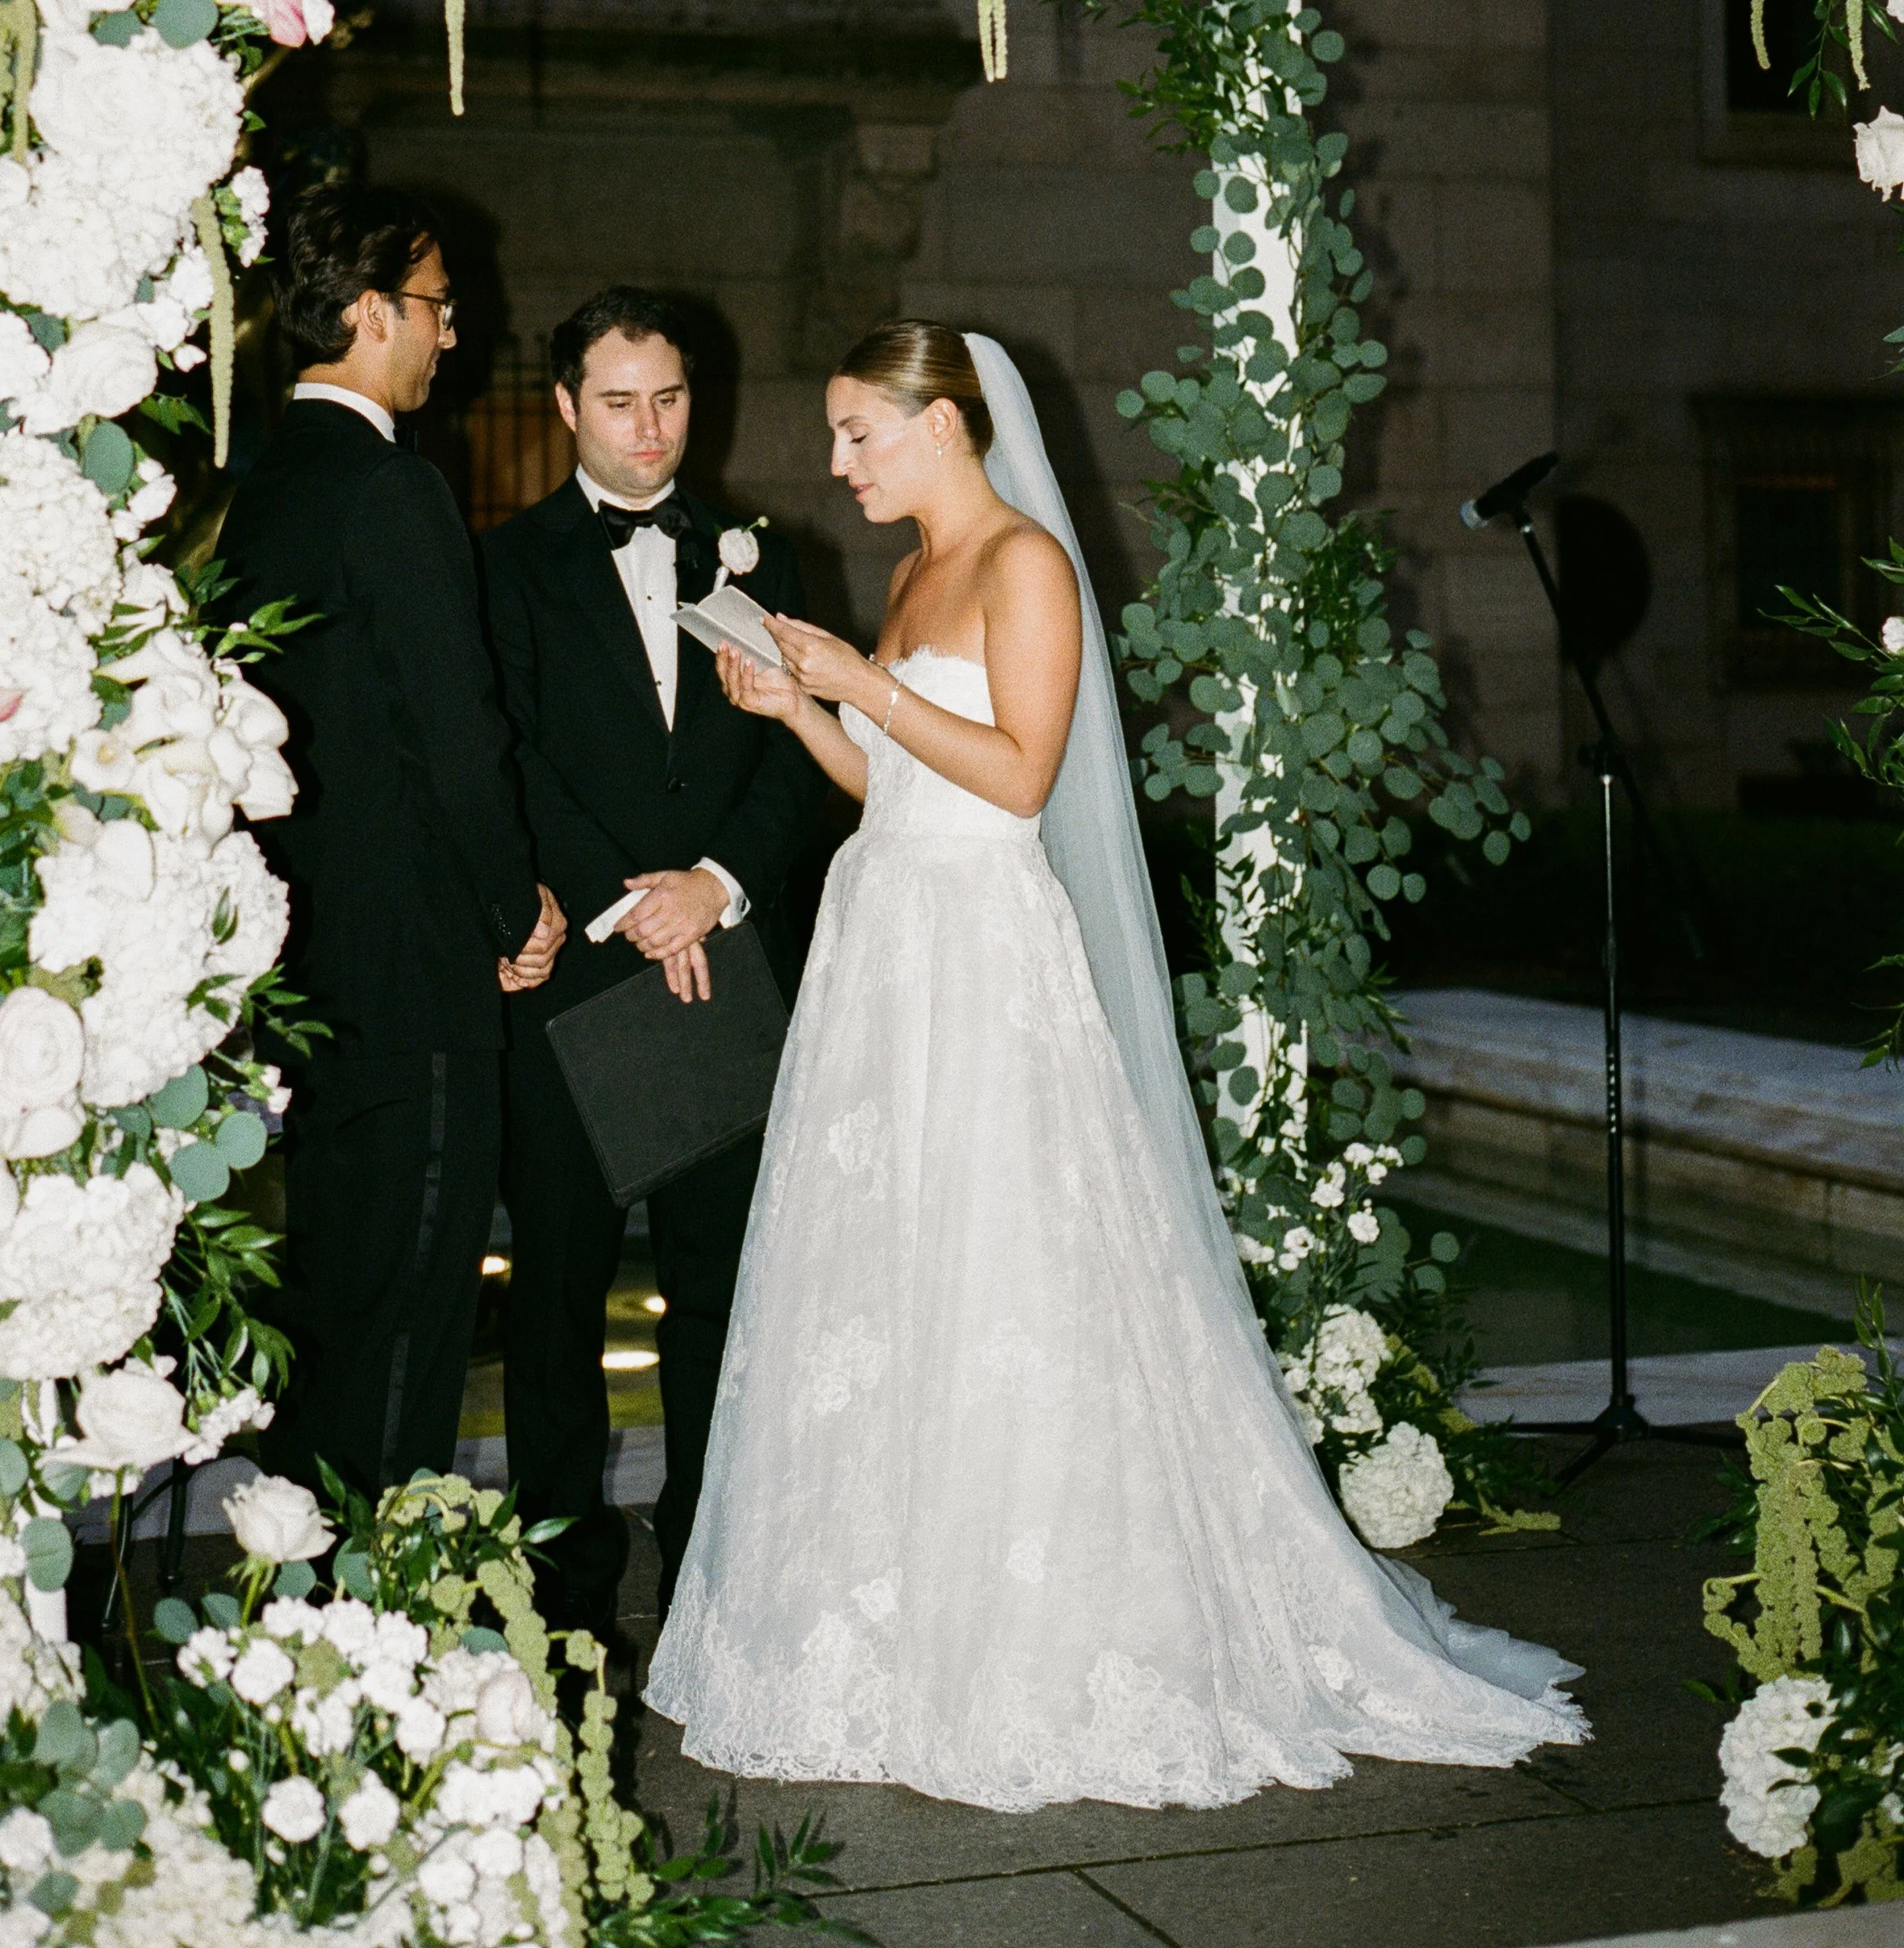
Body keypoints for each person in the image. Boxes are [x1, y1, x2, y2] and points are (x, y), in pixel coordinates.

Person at [648, 321, 1586, 1812]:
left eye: (856, 433)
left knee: (1013, 1264)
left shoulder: (1028, 566)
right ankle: (883, 1627)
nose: (835, 463)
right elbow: (895, 788)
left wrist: (867, 690)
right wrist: (808, 708)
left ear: (944, 426)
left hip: (979, 953)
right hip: (883, 940)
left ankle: (1049, 1630)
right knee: (891, 1271)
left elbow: (1019, 774)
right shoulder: (905, 576)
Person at [478, 290, 828, 1641]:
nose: (648, 428)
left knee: (722, 1292)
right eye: (618, 402)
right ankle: (563, 1586)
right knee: (557, 1293)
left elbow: (799, 757)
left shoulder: (762, 558)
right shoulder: (504, 567)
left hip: (727, 965)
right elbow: (511, 758)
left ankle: (710, 1566)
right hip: (579, 975)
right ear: (566, 406)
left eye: (670, 399)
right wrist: (634, 907)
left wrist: (716, 887)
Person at [215, 182, 563, 1503]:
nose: (450, 338)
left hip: (312, 977)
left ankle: (302, 1621)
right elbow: (456, 736)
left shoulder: (263, 495)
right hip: (416, 974)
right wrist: (509, 911)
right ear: (368, 314)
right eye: (434, 310)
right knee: (411, 1326)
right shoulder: (390, 491)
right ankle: (379, 1633)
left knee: (336, 1307)